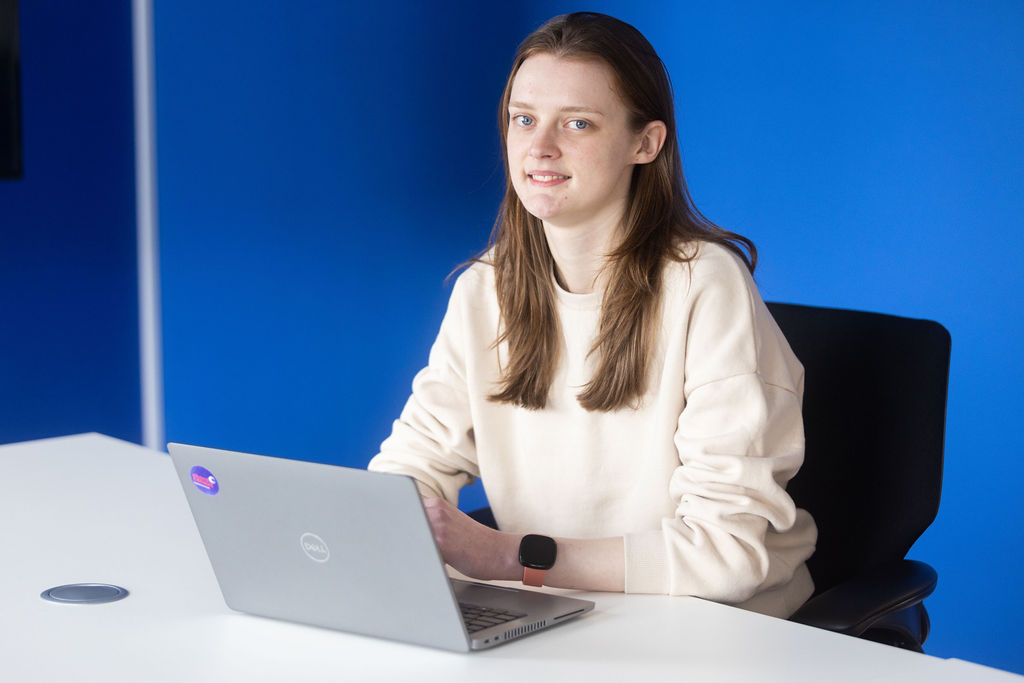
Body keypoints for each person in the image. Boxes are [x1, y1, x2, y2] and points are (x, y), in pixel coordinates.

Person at [368, 11, 817, 618]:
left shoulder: (706, 286)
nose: (540, 147)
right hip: (558, 610)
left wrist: (507, 557)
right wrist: (385, 524)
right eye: (523, 119)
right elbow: (416, 461)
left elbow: (726, 555)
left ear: (645, 143)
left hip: (712, 626)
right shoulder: (485, 289)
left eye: (577, 123)